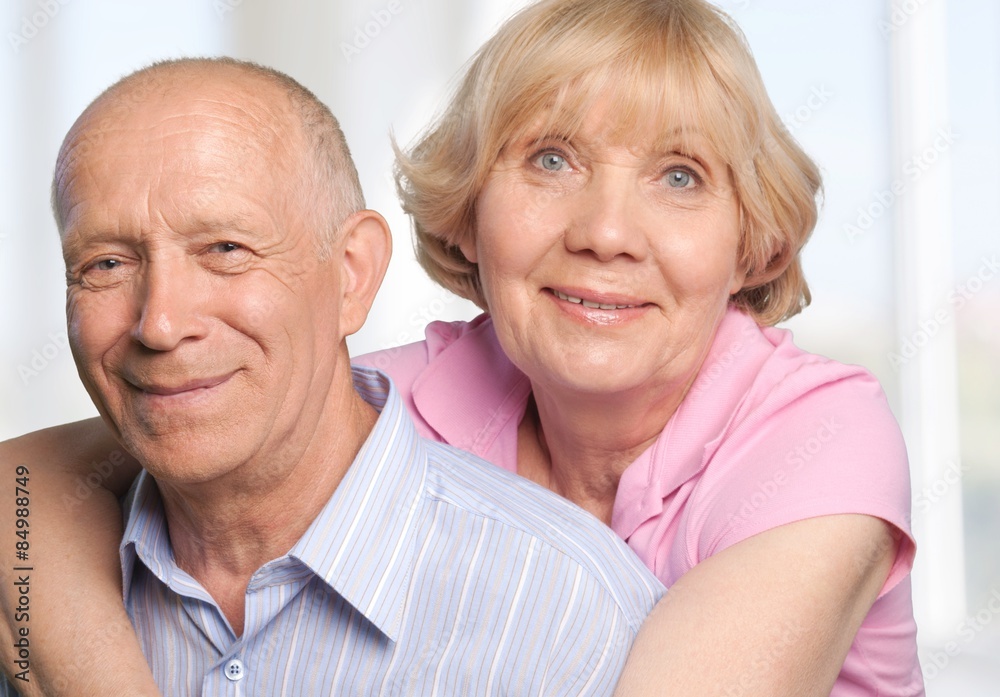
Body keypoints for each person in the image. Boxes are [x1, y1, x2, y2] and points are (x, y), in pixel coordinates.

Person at [1, 0, 924, 695]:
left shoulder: (822, 435)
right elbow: (33, 476)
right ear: (470, 214)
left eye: (679, 176)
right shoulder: (425, 390)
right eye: (551, 160)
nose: (606, 231)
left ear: (751, 240)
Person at [0, 57, 666, 696]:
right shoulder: (26, 565)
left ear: (352, 272)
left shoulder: (572, 615)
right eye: (106, 265)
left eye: (226, 249)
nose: (161, 324)